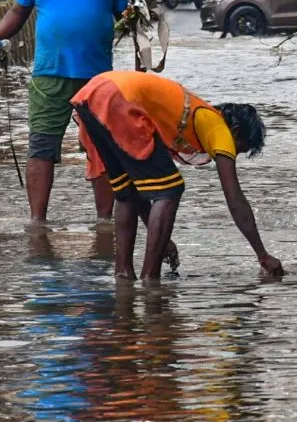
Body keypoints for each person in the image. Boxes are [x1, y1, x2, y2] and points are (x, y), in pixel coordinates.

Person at [0, 0, 127, 227]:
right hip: (50, 73)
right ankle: (37, 221)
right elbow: (19, 10)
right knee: (42, 145)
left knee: (101, 148)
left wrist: (139, 23)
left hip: (97, 77)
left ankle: (105, 221)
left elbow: (124, 15)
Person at [70, 71, 284, 280]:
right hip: (120, 97)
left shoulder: (193, 115)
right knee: (171, 190)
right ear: (236, 131)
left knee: (127, 191)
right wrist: (262, 255)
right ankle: (150, 277)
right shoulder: (220, 130)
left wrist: (162, 240)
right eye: (240, 149)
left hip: (93, 93)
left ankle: (124, 273)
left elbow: (139, 195)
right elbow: (235, 201)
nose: (233, 154)